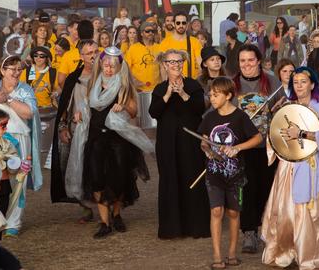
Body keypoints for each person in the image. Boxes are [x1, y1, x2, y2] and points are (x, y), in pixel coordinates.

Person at [261, 67, 319, 268]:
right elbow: (277, 135)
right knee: (286, 210)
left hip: (313, 166)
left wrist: (303, 134)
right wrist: (276, 132)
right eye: (295, 82)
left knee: (309, 213)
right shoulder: (289, 106)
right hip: (289, 166)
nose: (299, 86)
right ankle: (286, 249)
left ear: (312, 84)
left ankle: (311, 255)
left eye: (303, 81)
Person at [83, 46, 151, 238]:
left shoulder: (124, 86)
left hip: (118, 140)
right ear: (101, 65)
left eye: (113, 66)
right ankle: (104, 222)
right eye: (106, 65)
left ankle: (117, 214)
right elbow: (88, 106)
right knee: (96, 179)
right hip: (96, 138)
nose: (109, 69)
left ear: (120, 67)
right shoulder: (93, 84)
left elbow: (134, 111)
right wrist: (80, 113)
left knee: (119, 178)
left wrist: (124, 105)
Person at [197, 77, 263, 269]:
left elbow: (258, 138)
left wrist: (238, 148)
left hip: (236, 175)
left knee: (233, 213)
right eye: (211, 94)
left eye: (216, 94)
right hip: (214, 173)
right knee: (216, 211)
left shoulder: (240, 117)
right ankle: (217, 255)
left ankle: (232, 253)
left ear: (228, 96)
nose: (212, 97)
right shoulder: (209, 117)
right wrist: (208, 150)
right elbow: (203, 140)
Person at [149, 49, 210, 239]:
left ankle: (196, 226)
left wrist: (183, 93)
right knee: (170, 179)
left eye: (179, 61)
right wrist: (168, 94)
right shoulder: (160, 88)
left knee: (191, 177)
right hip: (167, 142)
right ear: (165, 65)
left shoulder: (193, 85)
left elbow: (199, 109)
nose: (176, 65)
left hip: (190, 141)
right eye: (171, 62)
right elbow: (154, 112)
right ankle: (172, 228)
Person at [0, 55, 43, 237]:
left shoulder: (25, 90)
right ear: (2, 70)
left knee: (18, 179)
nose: (16, 73)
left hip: (18, 139)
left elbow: (29, 112)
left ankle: (14, 221)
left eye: (19, 70)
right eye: (12, 69)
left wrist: (7, 99)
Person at [232, 43, 281, 253]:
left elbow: (283, 106)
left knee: (265, 189)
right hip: (242, 147)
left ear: (258, 61)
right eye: (243, 61)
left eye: (251, 60)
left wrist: (278, 106)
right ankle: (249, 232)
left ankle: (263, 226)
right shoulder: (232, 83)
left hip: (267, 146)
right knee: (246, 189)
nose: (247, 64)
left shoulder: (271, 81)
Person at [51, 40, 98, 222]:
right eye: (88, 53)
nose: (93, 55)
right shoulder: (73, 78)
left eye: (95, 51)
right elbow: (64, 105)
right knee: (78, 168)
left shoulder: (108, 74)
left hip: (100, 129)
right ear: (81, 56)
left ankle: (106, 207)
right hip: (77, 129)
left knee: (99, 168)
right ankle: (85, 206)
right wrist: (63, 127)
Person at [20, 46, 58, 154]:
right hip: (30, 110)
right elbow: (20, 88)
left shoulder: (52, 72)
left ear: (47, 58)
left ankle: (42, 162)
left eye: (42, 56)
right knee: (31, 140)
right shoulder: (27, 72)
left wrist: (55, 93)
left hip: (47, 112)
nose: (38, 58)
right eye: (35, 55)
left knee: (45, 143)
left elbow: (57, 88)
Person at [159, 12, 203, 79]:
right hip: (173, 84)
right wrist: (165, 84)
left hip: (191, 82)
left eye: (183, 23)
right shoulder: (165, 43)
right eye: (178, 23)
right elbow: (163, 67)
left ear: (187, 25)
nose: (181, 25)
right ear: (174, 24)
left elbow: (200, 63)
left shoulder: (194, 42)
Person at [125, 22, 160, 92]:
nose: (150, 33)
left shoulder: (159, 47)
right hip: (138, 90)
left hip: (156, 89)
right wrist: (134, 81)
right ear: (141, 33)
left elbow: (163, 68)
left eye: (152, 31)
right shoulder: (133, 48)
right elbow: (125, 68)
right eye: (147, 31)